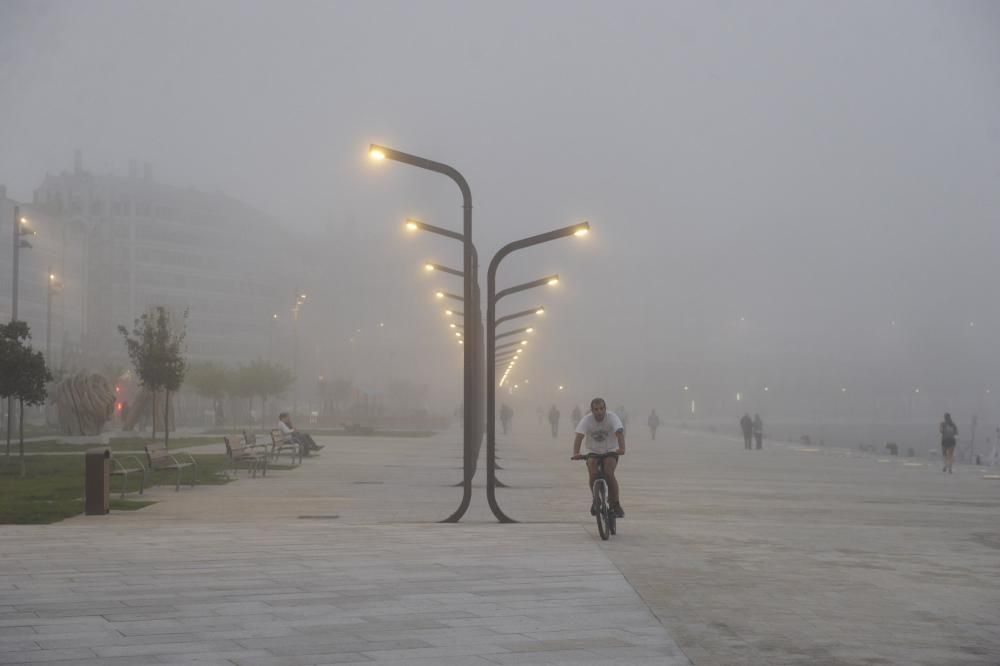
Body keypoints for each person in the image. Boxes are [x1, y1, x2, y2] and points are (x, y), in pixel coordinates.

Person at [571, 398, 626, 518]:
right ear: (592, 410)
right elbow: (579, 436)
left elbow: (619, 433)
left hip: (610, 450)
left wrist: (622, 449)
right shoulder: (587, 420)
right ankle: (596, 500)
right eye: (596, 409)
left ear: (605, 409)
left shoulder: (612, 417)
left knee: (608, 471)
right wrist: (576, 453)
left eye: (601, 408)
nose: (599, 412)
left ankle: (615, 503)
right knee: (593, 471)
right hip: (593, 451)